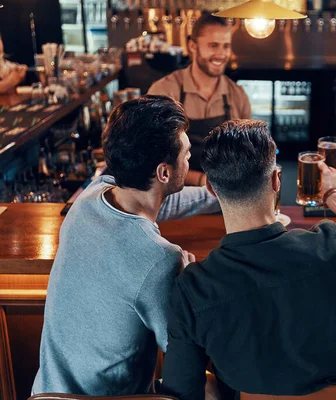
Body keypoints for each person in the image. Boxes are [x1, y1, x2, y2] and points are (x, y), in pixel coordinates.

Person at [159, 119, 336, 400]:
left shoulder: (194, 287)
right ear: (276, 179)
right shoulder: (332, 245)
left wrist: (192, 288)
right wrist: (333, 195)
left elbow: (181, 391)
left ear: (211, 189)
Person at [32, 96, 221, 396]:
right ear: (164, 172)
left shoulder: (91, 197)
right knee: (217, 388)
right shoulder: (159, 259)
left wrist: (216, 195)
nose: (189, 159)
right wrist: (185, 283)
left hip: (46, 392)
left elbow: (154, 202)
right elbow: (184, 351)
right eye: (186, 153)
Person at [148, 13, 251, 187]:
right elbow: (151, 157)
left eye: (226, 46)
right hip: (175, 198)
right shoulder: (164, 92)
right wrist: (203, 181)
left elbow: (249, 154)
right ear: (192, 46)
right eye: (213, 45)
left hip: (225, 198)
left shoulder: (237, 95)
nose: (221, 54)